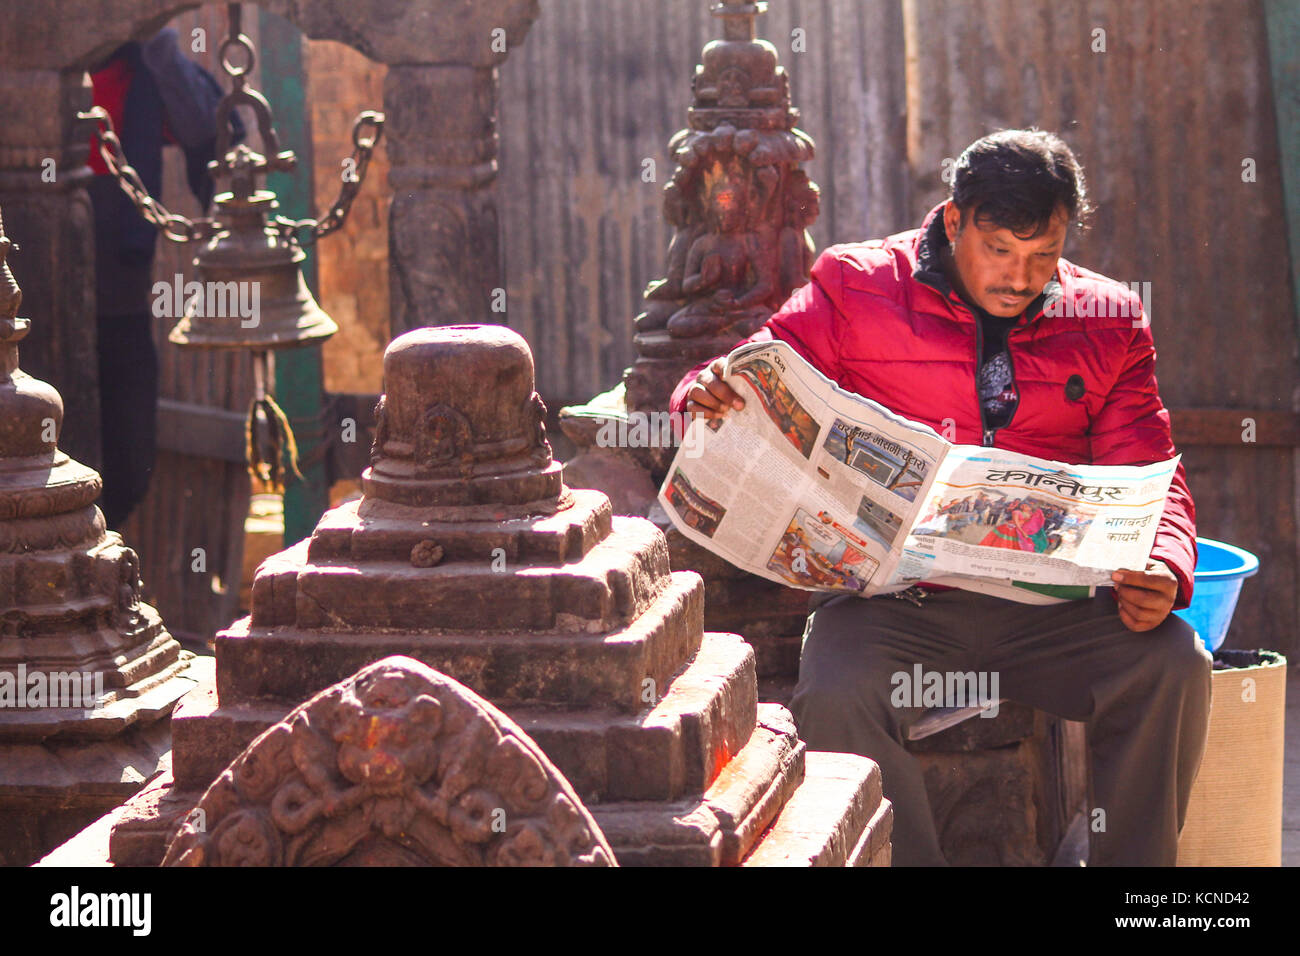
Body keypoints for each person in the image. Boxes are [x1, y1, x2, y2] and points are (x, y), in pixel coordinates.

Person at [673, 129, 1210, 866]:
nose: (1021, 278)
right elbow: (750, 374)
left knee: (1174, 663)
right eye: (1000, 251)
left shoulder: (1109, 322)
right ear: (954, 222)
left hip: (1051, 615)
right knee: (834, 696)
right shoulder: (855, 285)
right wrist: (702, 396)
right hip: (897, 609)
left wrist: (1163, 564)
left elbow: (1151, 468)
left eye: (1043, 256)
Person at [88, 27, 240, 528]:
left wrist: (158, 43)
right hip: (24, 308)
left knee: (124, 469)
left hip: (119, 307)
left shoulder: (142, 75)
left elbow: (214, 132)